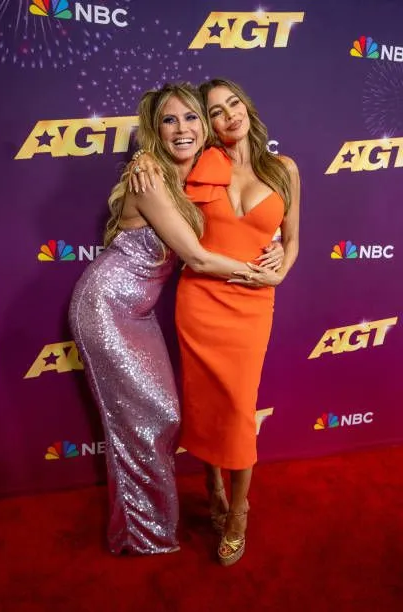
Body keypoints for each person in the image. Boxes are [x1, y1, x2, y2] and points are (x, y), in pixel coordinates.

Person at [69, 83, 269, 556]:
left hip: (139, 312)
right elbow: (197, 257)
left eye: (192, 117)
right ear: (154, 131)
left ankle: (151, 525)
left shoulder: (197, 172)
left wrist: (277, 245)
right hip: (106, 306)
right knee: (144, 420)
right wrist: (263, 274)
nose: (183, 128)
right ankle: (143, 535)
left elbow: (247, 206)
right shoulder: (151, 177)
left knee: (163, 416)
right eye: (169, 120)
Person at [131, 78, 300, 566]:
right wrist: (142, 158)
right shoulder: (198, 166)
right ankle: (212, 485)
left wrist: (281, 269)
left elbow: (292, 240)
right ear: (208, 125)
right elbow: (159, 165)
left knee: (240, 409)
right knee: (205, 405)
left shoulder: (284, 170)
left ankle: (239, 511)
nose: (229, 116)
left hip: (253, 306)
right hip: (201, 302)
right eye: (216, 112)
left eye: (233, 104)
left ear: (247, 107)